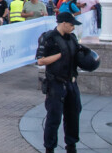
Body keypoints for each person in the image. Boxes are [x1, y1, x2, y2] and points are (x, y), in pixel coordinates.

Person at [36, 12, 86, 153]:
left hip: (71, 82)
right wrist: (60, 55)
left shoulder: (72, 38)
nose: (73, 28)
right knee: (54, 117)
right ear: (63, 23)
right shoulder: (48, 38)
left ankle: (71, 145)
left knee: (73, 115)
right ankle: (50, 148)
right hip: (56, 84)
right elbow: (40, 60)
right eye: (71, 25)